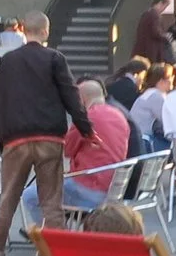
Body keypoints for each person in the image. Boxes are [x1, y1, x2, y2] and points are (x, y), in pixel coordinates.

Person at [0, 12, 97, 256]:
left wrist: (1, 141)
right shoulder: (55, 59)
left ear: (23, 30)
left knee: (8, 199)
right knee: (51, 201)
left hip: (16, 139)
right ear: (46, 31)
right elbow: (72, 97)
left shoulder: (8, 62)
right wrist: (86, 130)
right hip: (49, 138)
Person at [56, 80, 136, 214]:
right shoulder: (119, 115)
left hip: (90, 187)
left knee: (31, 196)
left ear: (82, 98)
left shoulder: (85, 119)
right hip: (114, 187)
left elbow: (67, 150)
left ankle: (54, 234)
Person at [128, 63, 172, 153]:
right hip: (145, 141)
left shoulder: (149, 93)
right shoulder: (156, 96)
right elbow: (168, 121)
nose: (172, 80)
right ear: (161, 81)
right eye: (170, 77)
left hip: (139, 138)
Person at [131, 0, 175, 64]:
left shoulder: (146, 14)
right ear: (160, 3)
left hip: (143, 49)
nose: (164, 9)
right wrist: (165, 36)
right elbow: (156, 32)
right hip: (151, 50)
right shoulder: (154, 15)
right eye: (165, 6)